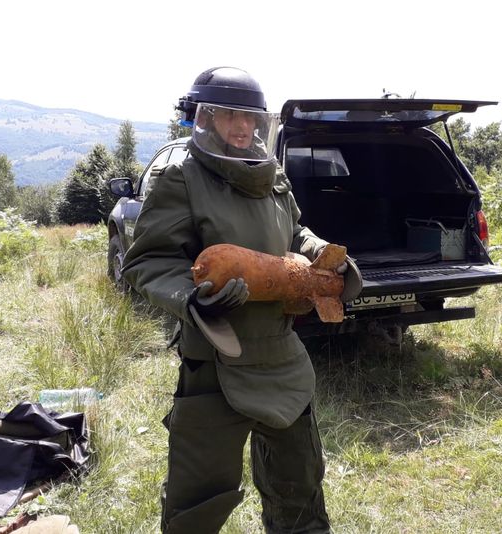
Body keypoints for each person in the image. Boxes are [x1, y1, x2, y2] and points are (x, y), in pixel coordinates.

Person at [121, 66, 361, 534]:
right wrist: (192, 298)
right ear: (205, 118)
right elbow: (148, 260)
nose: (242, 126)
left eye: (250, 117)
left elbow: (294, 231)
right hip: (215, 359)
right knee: (198, 499)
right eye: (230, 114)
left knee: (299, 486)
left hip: (280, 356)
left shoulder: (272, 177)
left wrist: (318, 253)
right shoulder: (181, 178)